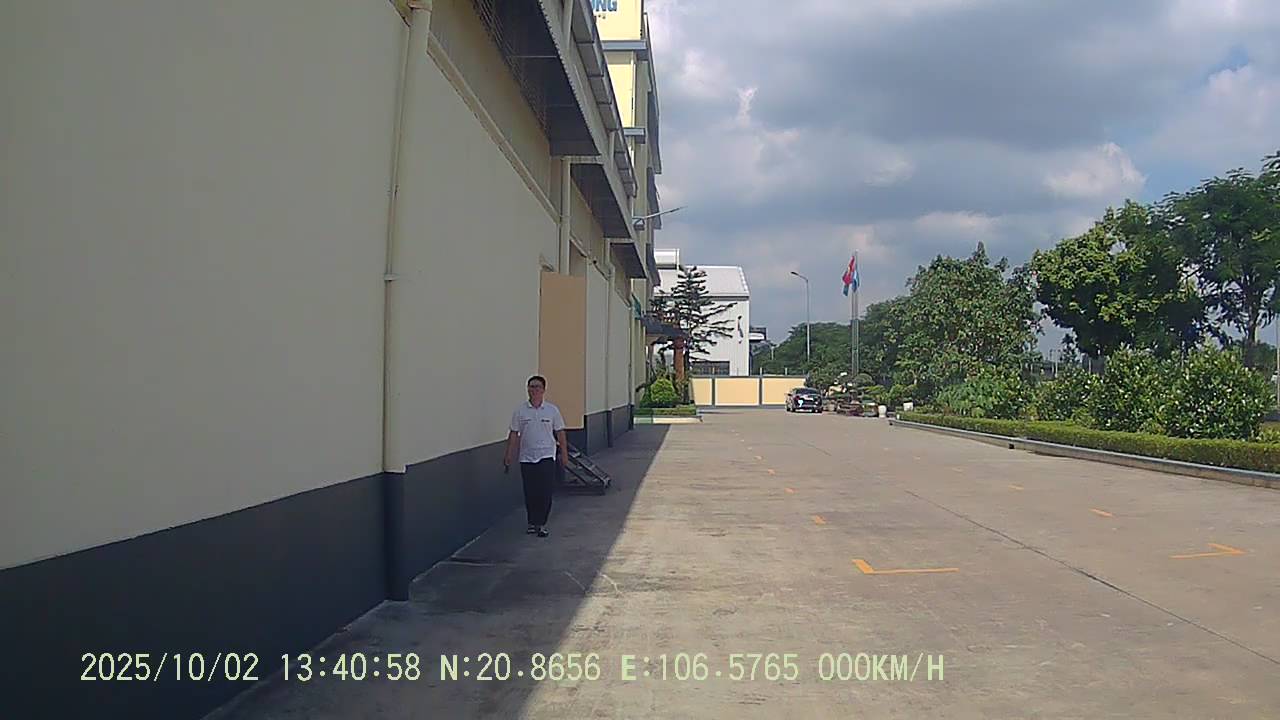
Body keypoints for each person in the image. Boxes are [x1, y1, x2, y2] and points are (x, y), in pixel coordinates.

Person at [504, 375, 568, 538]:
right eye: (531, 387)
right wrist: (509, 454)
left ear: (543, 390)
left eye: (537, 387)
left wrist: (564, 454)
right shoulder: (520, 411)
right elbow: (514, 433)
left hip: (546, 456)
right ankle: (532, 522)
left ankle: (541, 523)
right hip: (527, 457)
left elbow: (560, 433)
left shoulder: (552, 410)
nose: (533, 390)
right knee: (530, 491)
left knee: (545, 491)